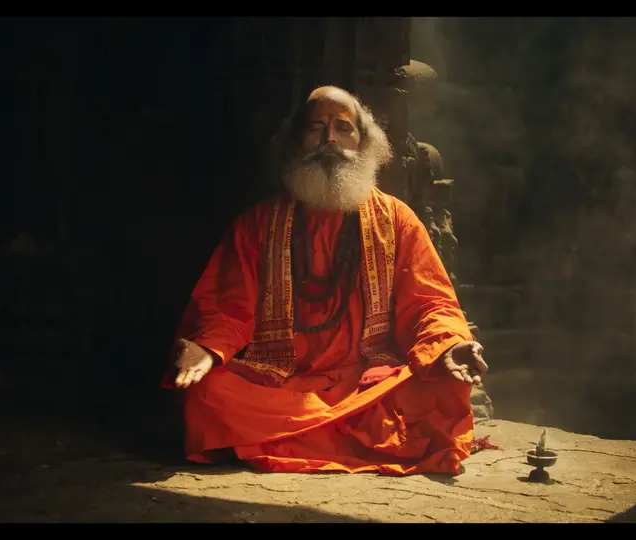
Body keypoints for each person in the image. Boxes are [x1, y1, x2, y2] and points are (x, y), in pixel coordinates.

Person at [160, 86, 488, 476]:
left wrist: (448, 344)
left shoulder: (396, 220)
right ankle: (332, 434)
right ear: (296, 143)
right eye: (316, 129)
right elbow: (228, 305)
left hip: (367, 382)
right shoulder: (257, 224)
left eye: (342, 128)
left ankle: (289, 437)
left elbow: (428, 302)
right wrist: (209, 347)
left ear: (365, 143)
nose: (329, 140)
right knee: (207, 393)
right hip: (279, 384)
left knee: (441, 389)